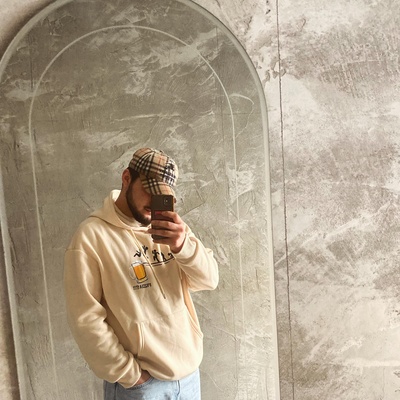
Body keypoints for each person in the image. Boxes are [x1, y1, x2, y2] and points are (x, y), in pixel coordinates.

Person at [64, 147, 219, 400]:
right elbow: (85, 320)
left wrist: (183, 246)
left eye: (162, 195)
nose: (154, 202)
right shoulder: (91, 237)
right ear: (127, 178)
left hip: (189, 377)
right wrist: (131, 376)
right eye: (149, 190)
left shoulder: (170, 228)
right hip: (141, 387)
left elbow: (209, 280)